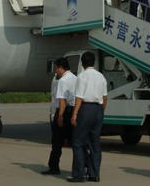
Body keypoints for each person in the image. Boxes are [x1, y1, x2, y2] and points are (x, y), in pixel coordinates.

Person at [69, 52, 107, 183]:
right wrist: (101, 111)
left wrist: (74, 113)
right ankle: (94, 174)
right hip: (98, 108)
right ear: (94, 63)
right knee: (95, 143)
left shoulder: (82, 76)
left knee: (78, 142)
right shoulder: (101, 76)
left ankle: (79, 174)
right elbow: (104, 97)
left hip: (85, 108)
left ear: (82, 63)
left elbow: (79, 96)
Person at [42, 58, 77, 175]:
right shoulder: (75, 78)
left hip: (64, 111)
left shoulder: (63, 80)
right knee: (75, 141)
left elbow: (62, 100)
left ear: (61, 68)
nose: (56, 71)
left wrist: (60, 116)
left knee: (57, 142)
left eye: (56, 68)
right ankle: (85, 163)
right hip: (73, 111)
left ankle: (54, 167)